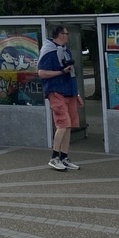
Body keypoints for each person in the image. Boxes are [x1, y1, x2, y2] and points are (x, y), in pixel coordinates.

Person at [38, 26, 84, 171]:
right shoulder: (49, 52)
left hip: (69, 92)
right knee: (62, 124)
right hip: (56, 91)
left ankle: (64, 157)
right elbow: (41, 73)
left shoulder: (66, 52)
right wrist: (61, 72)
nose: (68, 36)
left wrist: (77, 94)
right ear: (60, 35)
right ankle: (54, 157)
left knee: (69, 125)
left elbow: (72, 74)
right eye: (66, 33)